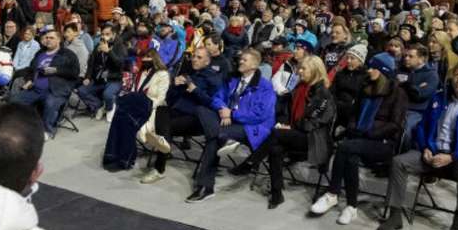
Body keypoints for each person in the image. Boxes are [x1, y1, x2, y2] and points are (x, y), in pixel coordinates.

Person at [378, 60, 458, 230]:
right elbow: (422, 127)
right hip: (432, 153)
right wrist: (425, 147)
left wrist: (453, 157)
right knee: (399, 162)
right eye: (457, 75)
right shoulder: (438, 99)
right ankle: (394, 215)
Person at [310, 53, 406, 224]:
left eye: (373, 68)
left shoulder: (397, 93)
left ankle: (332, 193)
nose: (369, 70)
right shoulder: (365, 87)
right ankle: (351, 207)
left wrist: (370, 133)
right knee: (351, 156)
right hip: (358, 139)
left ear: (383, 71)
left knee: (344, 147)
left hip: (381, 143)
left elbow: (395, 125)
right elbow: (353, 115)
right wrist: (354, 128)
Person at [230, 55, 334, 209]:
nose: (299, 71)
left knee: (277, 134)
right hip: (294, 134)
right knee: (275, 148)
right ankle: (276, 193)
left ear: (314, 71)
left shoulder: (323, 94)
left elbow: (314, 123)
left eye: (303, 69)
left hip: (314, 140)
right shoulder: (299, 88)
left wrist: (290, 127)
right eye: (299, 68)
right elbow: (286, 113)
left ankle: (251, 162)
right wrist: (284, 124)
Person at [189, 48, 276, 203]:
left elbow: (260, 115)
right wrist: (223, 109)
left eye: (244, 60)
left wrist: (232, 114)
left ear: (254, 65)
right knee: (202, 111)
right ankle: (223, 140)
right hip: (229, 121)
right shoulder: (232, 79)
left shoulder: (265, 86)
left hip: (253, 128)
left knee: (214, 139)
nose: (240, 62)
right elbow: (217, 97)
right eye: (240, 59)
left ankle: (205, 187)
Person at [141, 47, 224, 183]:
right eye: (194, 56)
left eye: (199, 57)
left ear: (207, 61)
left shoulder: (214, 79)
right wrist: (174, 84)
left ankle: (159, 168)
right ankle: (163, 145)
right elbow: (171, 98)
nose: (194, 59)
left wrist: (195, 90)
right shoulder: (189, 73)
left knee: (165, 127)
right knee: (160, 110)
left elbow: (213, 104)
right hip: (178, 112)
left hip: (197, 119)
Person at [104, 50, 170, 171]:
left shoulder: (163, 74)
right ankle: (112, 155)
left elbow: (161, 98)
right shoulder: (140, 73)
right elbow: (134, 91)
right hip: (135, 104)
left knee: (127, 121)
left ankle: (126, 159)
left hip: (150, 107)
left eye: (148, 57)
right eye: (143, 57)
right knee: (119, 117)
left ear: (155, 59)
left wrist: (144, 101)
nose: (144, 60)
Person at [9, 29, 79, 138]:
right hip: (36, 88)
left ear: (59, 40)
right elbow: (31, 69)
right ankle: (23, 126)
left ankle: (48, 130)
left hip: (56, 90)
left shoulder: (68, 54)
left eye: (52, 38)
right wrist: (29, 80)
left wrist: (56, 70)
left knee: (50, 104)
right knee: (14, 101)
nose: (48, 40)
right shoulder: (40, 53)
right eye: (46, 38)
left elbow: (74, 73)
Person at [78, 24, 126, 119]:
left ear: (113, 34)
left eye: (107, 34)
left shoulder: (120, 46)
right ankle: (99, 105)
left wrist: (109, 52)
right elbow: (91, 63)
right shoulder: (98, 46)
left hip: (114, 79)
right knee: (82, 90)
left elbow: (120, 64)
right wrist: (88, 77)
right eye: (103, 34)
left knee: (107, 95)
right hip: (99, 79)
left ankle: (109, 107)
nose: (104, 36)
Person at [400, 42, 439, 137]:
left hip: (416, 111)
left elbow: (420, 95)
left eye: (410, 56)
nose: (406, 58)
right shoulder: (401, 70)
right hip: (398, 108)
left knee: (406, 130)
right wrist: (416, 87)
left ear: (421, 59)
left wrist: (406, 85)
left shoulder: (431, 75)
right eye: (405, 56)